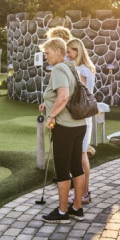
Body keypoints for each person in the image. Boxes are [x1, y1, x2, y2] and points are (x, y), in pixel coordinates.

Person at [39, 37, 87, 223]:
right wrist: (48, 104)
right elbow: (67, 94)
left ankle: (62, 212)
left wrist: (51, 116)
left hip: (64, 127)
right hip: (79, 125)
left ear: (59, 51)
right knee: (76, 166)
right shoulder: (72, 67)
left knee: (62, 169)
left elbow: (64, 96)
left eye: (48, 53)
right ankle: (77, 208)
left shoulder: (58, 69)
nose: (46, 57)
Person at [66, 38, 95, 205]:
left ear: (77, 51)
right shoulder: (88, 68)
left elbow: (77, 94)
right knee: (81, 154)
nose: (68, 55)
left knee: (81, 155)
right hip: (85, 116)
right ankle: (83, 192)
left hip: (81, 116)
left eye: (69, 52)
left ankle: (84, 193)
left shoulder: (80, 70)